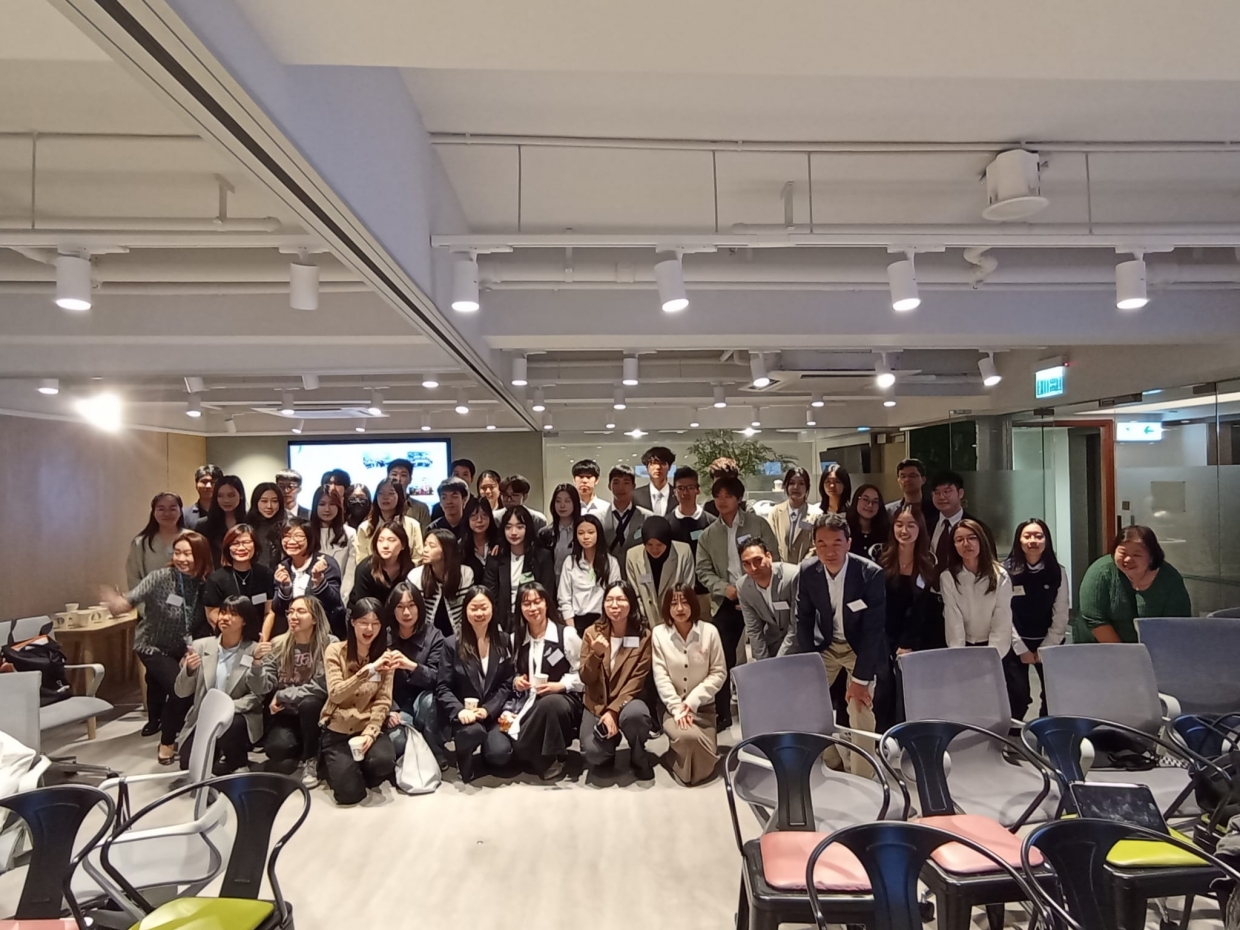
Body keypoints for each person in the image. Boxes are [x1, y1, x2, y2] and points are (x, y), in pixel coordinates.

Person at [100, 529, 212, 763]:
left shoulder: (205, 583)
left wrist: (192, 650)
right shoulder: (160, 577)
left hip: (183, 649)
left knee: (188, 688)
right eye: (177, 552)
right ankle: (167, 742)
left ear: (201, 555)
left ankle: (186, 735)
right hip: (152, 646)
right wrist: (116, 603)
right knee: (181, 689)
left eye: (188, 554)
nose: (181, 558)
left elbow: (203, 623)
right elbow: (130, 600)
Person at [795, 512, 886, 776]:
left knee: (859, 705)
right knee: (807, 700)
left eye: (836, 542)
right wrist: (809, 666)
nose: (829, 551)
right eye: (821, 543)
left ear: (848, 543)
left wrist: (860, 679)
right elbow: (803, 619)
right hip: (827, 645)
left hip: (859, 647)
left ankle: (863, 775)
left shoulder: (870, 574)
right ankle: (831, 759)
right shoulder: (808, 571)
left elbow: (873, 631)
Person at [696, 475, 779, 730]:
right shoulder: (709, 534)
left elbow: (773, 557)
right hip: (726, 600)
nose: (722, 501)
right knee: (721, 658)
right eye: (718, 496)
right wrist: (725, 588)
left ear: (739, 498)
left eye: (728, 496)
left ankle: (772, 708)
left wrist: (752, 587)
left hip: (759, 596)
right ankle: (722, 714)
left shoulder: (758, 524)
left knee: (767, 652)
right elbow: (703, 570)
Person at [248, 594, 332, 787]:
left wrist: (282, 695)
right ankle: (304, 745)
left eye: (301, 611)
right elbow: (261, 687)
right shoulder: (278, 644)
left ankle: (311, 758)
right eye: (291, 611)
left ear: (314, 618)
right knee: (276, 750)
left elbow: (322, 686)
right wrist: (257, 663)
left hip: (317, 713)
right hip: (286, 712)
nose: (293, 616)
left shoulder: (329, 643)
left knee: (310, 703)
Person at [319, 599, 397, 804]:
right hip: (338, 730)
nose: (369, 629)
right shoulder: (335, 651)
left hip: (366, 726)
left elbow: (383, 701)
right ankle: (337, 766)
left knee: (383, 762)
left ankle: (356, 768)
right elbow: (336, 694)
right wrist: (369, 671)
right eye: (363, 622)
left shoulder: (386, 657)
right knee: (349, 795)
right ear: (352, 622)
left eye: (375, 623)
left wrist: (371, 733)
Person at [173, 595, 261, 775]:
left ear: (245, 620)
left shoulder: (254, 650)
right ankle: (218, 753)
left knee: (231, 724)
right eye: (223, 612)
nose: (225, 618)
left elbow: (257, 695)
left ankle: (237, 761)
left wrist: (225, 709)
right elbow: (181, 692)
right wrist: (189, 670)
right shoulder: (200, 646)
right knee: (188, 764)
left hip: (238, 714)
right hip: (204, 717)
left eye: (233, 614)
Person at [436, 586, 515, 782]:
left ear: (492, 609)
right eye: (474, 608)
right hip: (466, 716)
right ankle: (464, 754)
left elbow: (507, 684)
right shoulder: (451, 644)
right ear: (465, 611)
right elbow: (443, 687)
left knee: (500, 755)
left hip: (493, 714)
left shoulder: (504, 640)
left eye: (484, 607)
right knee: (473, 731)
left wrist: (488, 710)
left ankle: (488, 750)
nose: (479, 613)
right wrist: (459, 711)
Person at [578, 580, 654, 780]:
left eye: (621, 599)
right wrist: (596, 655)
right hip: (596, 702)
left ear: (631, 603)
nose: (614, 605)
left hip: (628, 701)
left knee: (636, 715)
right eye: (609, 600)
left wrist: (613, 711)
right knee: (593, 753)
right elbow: (586, 678)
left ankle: (637, 754)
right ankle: (608, 750)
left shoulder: (643, 635)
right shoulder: (592, 633)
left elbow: (637, 680)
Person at [652, 583, 727, 786]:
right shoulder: (659, 634)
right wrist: (677, 708)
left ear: (693, 604)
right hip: (672, 709)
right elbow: (661, 676)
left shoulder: (709, 631)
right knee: (688, 738)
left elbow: (719, 672)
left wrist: (693, 701)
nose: (679, 608)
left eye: (684, 602)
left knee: (705, 765)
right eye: (673, 603)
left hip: (704, 709)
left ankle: (681, 758)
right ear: (667, 607)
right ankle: (677, 759)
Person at [506, 582, 582, 780]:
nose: (533, 608)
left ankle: (550, 757)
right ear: (520, 608)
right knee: (514, 745)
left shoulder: (566, 635)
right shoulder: (516, 639)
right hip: (528, 701)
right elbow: (510, 674)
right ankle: (538, 755)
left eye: (537, 602)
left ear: (547, 603)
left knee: (550, 703)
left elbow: (585, 672)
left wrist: (561, 685)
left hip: (564, 699)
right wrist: (517, 681)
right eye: (526, 604)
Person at [874, 504, 939, 730]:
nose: (904, 530)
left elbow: (920, 608)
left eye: (911, 525)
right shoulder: (880, 557)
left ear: (920, 528)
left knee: (909, 691)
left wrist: (907, 643)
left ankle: (907, 735)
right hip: (883, 633)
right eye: (899, 524)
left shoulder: (928, 562)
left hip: (913, 636)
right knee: (884, 692)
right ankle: (883, 737)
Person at [1075, 525, 1191, 645]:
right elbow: (1094, 618)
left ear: (1151, 556)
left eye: (1137, 555)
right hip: (1098, 647)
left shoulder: (1170, 578)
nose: (1128, 559)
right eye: (1122, 553)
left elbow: (1177, 623)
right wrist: (1126, 653)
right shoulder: (1100, 572)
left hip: (1154, 649)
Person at [1003, 519, 1069, 720]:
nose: (1033, 541)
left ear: (1046, 540)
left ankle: (1045, 730)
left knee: (1053, 694)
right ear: (1019, 540)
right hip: (1014, 642)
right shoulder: (1005, 571)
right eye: (1027, 536)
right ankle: (1012, 733)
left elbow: (1061, 611)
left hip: (1048, 641)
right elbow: (1002, 612)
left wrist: (1047, 646)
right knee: (1018, 695)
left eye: (1039, 536)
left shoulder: (1057, 571)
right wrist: (1020, 648)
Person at [382, 583, 447, 769]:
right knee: (397, 743)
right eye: (400, 607)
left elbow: (438, 679)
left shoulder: (434, 636)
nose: (406, 612)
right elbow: (376, 682)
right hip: (397, 705)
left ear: (419, 606)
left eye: (411, 605)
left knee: (430, 701)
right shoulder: (384, 637)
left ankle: (434, 748)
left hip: (423, 702)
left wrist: (411, 666)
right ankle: (416, 747)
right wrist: (389, 709)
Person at [941, 518, 1013, 653]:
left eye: (972, 538)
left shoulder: (1000, 575)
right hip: (964, 644)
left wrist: (992, 655)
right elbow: (953, 619)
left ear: (981, 540)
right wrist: (958, 654)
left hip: (995, 646)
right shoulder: (948, 577)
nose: (966, 544)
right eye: (959, 540)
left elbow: (1001, 619)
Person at [484, 505, 556, 634]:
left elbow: (547, 593)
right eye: (508, 527)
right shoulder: (495, 558)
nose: (513, 532)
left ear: (528, 528)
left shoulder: (542, 557)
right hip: (503, 623)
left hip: (533, 618)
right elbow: (490, 595)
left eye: (519, 527)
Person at [272, 518, 346, 640]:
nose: (291, 541)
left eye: (298, 536)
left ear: (310, 538)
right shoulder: (283, 567)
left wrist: (319, 580)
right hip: (293, 634)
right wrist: (285, 587)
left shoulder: (325, 563)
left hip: (325, 633)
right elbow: (278, 609)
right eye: (286, 536)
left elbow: (334, 604)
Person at [203, 524, 275, 639]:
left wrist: (263, 639)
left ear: (255, 545)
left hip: (260, 637)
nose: (241, 548)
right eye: (235, 543)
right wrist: (234, 638)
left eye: (246, 542)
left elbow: (269, 612)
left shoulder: (265, 574)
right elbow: (212, 614)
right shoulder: (216, 579)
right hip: (229, 639)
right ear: (228, 547)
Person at [625, 516, 694, 627]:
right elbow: (635, 595)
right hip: (646, 621)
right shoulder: (632, 555)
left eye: (659, 545)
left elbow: (688, 589)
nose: (654, 549)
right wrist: (644, 623)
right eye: (649, 545)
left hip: (677, 620)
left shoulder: (683, 552)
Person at [557, 514, 620, 635]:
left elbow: (615, 596)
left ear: (598, 534)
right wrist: (572, 630)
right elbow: (564, 599)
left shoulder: (611, 562)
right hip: (576, 622)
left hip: (603, 621)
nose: (585, 537)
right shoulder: (570, 562)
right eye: (580, 533)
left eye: (591, 532)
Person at [738, 538, 799, 660]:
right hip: (773, 643)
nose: (753, 568)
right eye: (746, 564)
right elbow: (754, 630)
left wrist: (777, 663)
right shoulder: (743, 587)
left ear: (769, 556)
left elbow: (796, 626)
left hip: (801, 643)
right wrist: (764, 663)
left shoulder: (793, 576)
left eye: (758, 560)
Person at [409, 528, 475, 638]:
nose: (425, 550)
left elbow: (466, 610)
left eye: (432, 546)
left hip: (458, 637)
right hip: (425, 637)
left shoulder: (466, 574)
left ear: (446, 550)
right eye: (425, 545)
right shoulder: (415, 576)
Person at [928, 471, 995, 568]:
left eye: (947, 492)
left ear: (960, 493)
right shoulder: (927, 526)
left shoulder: (978, 528)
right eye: (936, 493)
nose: (941, 497)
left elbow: (990, 563)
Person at [126, 492, 187, 591]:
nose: (167, 514)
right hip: (149, 599)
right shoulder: (141, 543)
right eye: (161, 509)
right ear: (153, 512)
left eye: (172, 509)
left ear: (180, 511)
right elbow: (133, 577)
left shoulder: (192, 538)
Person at [356, 477, 423, 564]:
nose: (385, 497)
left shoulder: (413, 525)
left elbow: (418, 558)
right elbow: (361, 560)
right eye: (381, 493)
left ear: (399, 496)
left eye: (391, 493)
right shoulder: (365, 527)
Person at [350, 522, 415, 608]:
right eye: (380, 540)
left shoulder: (411, 569)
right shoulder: (365, 568)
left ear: (403, 545)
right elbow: (363, 605)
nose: (385, 546)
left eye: (391, 540)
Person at [311, 484, 357, 602]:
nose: (327, 509)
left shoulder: (349, 533)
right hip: (309, 598)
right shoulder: (307, 533)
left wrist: (341, 600)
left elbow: (350, 573)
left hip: (338, 598)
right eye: (322, 504)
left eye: (332, 504)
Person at [603, 464, 653, 566]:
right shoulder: (599, 517)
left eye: (626, 483)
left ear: (634, 486)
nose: (621, 487)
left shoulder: (647, 517)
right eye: (616, 482)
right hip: (608, 571)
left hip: (638, 570)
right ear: (609, 486)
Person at [766, 466, 819, 564]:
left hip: (806, 568)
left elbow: (816, 545)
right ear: (786, 486)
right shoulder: (775, 512)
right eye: (791, 483)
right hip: (780, 568)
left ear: (807, 487)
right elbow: (770, 542)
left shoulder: (816, 514)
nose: (796, 487)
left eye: (801, 483)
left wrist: (803, 566)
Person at [196, 475, 246, 567]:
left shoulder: (251, 522)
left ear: (241, 495)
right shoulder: (204, 525)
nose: (226, 500)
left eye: (231, 495)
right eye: (220, 496)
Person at [885, 458, 935, 538]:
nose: (907, 479)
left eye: (912, 476)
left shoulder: (935, 509)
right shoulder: (889, 511)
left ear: (923, 479)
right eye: (903, 476)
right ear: (898, 480)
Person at [540, 483, 581, 577]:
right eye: (558, 501)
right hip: (551, 582)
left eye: (567, 501)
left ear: (575, 503)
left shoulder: (583, 531)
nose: (562, 505)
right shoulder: (545, 534)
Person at [246, 482, 286, 569]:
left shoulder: (286, 525)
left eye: (275, 501)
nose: (269, 506)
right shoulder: (247, 525)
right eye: (264, 501)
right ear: (256, 502)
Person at [460, 496, 500, 580]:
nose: (479, 520)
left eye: (484, 515)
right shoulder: (461, 548)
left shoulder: (500, 542)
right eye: (474, 516)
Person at [386, 459, 431, 531]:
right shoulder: (380, 505)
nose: (398, 479)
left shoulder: (421, 508)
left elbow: (425, 535)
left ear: (410, 479)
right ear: (387, 478)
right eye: (394, 474)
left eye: (403, 475)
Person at [846, 484, 889, 559]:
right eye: (865, 500)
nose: (870, 505)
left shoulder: (886, 532)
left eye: (875, 502)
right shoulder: (844, 529)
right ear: (856, 500)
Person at [429, 458, 477, 523]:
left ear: (472, 478)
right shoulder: (438, 508)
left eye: (465, 474)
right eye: (456, 474)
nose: (460, 478)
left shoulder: (477, 505)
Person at [633, 446, 676, 517]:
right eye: (653, 463)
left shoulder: (678, 495)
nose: (658, 467)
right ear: (647, 467)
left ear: (669, 467)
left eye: (663, 463)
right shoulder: (635, 496)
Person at [429, 476, 471, 542]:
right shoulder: (433, 529)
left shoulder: (471, 526)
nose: (449, 502)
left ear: (464, 500)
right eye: (444, 498)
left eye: (454, 497)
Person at [185, 464, 223, 528]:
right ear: (196, 484)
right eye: (204, 482)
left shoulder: (229, 512)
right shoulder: (185, 514)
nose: (208, 486)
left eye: (213, 482)